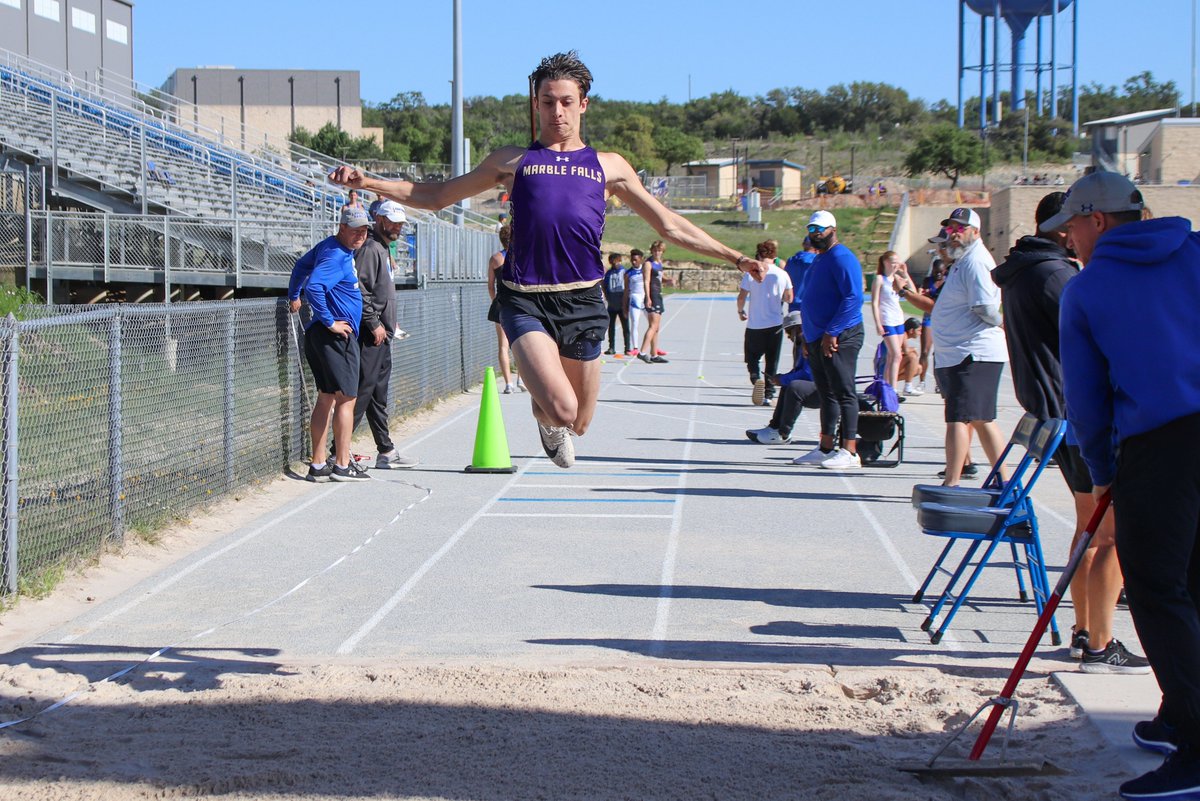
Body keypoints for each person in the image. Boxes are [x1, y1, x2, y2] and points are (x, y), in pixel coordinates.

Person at [329, 51, 768, 469]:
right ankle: (548, 414)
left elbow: (669, 225)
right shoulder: (513, 162)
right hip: (525, 299)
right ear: (535, 103)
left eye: (566, 102)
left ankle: (550, 421)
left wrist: (735, 257)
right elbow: (436, 195)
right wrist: (369, 181)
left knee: (579, 421)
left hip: (582, 300)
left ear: (584, 105)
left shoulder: (609, 166)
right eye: (547, 102)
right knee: (561, 407)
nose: (557, 111)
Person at [1048, 171, 1200, 800]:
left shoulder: (1088, 290)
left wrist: (1105, 475)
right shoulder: (1194, 250)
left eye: (1071, 229)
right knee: (1194, 581)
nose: (1067, 242)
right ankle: (1177, 712)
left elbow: (1085, 400)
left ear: (1097, 221)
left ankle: (1195, 748)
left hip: (1160, 446)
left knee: (1159, 590)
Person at [994, 189, 1146, 675]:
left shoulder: (1026, 269)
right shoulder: (1057, 275)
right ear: (1069, 229)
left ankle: (1086, 631)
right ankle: (1099, 641)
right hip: (1080, 416)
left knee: (1090, 532)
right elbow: (1102, 339)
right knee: (1108, 537)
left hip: (1062, 414)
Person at [913, 208, 1007, 486]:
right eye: (951, 229)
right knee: (978, 418)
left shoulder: (976, 262)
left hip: (973, 353)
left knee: (961, 417)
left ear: (975, 232)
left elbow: (986, 308)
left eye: (959, 229)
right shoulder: (964, 261)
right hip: (962, 353)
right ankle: (1003, 480)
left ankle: (951, 483)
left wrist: (1006, 326)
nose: (953, 234)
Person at [287, 206, 371, 482]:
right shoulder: (336, 255)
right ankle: (342, 464)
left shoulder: (330, 247)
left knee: (326, 397)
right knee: (347, 399)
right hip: (335, 336)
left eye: (365, 229)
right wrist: (330, 321)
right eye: (356, 229)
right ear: (342, 227)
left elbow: (301, 266)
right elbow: (316, 287)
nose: (361, 234)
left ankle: (318, 463)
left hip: (321, 336)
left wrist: (293, 293)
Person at [348, 200, 418, 470]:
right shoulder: (370, 249)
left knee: (377, 394)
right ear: (379, 220)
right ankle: (336, 451)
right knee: (363, 392)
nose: (398, 227)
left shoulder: (383, 248)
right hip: (370, 335)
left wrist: (389, 324)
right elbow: (361, 290)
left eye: (400, 222)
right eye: (393, 221)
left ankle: (386, 451)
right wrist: (374, 323)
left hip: (382, 335)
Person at [793, 210, 865, 470]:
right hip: (817, 336)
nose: (815, 235)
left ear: (833, 230)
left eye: (820, 230)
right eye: (811, 230)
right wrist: (806, 337)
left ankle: (850, 450)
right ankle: (825, 447)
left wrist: (832, 331)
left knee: (844, 392)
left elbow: (853, 298)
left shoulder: (842, 258)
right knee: (826, 393)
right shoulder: (820, 259)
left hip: (840, 335)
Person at [745, 311, 820, 445]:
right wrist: (783, 378)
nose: (788, 337)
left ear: (799, 328)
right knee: (789, 385)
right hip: (818, 388)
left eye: (789, 332)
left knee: (794, 387)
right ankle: (774, 428)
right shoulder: (802, 345)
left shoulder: (810, 345)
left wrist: (783, 379)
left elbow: (808, 374)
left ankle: (782, 433)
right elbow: (800, 371)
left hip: (822, 392)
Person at [737, 240, 793, 406]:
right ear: (774, 255)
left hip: (755, 323)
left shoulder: (751, 273)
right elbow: (789, 297)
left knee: (751, 357)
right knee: (772, 360)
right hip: (775, 323)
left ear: (760, 255)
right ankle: (769, 393)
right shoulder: (783, 274)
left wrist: (741, 311)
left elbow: (741, 297)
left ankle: (755, 378)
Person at [488, 224, 522, 393]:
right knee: (522, 343)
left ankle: (509, 383)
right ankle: (522, 378)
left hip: (502, 302)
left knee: (503, 345)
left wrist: (496, 301)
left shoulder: (495, 258)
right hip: (520, 302)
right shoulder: (522, 255)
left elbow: (490, 286)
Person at [871, 251, 906, 391]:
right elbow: (874, 303)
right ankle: (893, 389)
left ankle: (886, 387)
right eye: (893, 262)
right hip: (887, 319)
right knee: (896, 355)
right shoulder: (880, 279)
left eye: (897, 262)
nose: (895, 265)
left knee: (893, 356)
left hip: (899, 320)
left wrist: (905, 274)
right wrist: (878, 323)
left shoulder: (897, 279)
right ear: (885, 262)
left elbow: (913, 292)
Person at [637, 240, 668, 363]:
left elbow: (660, 278)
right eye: (655, 250)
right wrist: (648, 297)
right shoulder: (648, 264)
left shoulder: (659, 263)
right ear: (652, 251)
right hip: (653, 296)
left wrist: (668, 280)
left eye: (659, 251)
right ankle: (642, 352)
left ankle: (654, 354)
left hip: (659, 295)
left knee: (657, 327)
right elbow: (646, 281)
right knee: (653, 325)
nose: (657, 253)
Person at [602, 252, 631, 357]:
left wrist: (626, 303)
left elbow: (628, 288)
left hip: (622, 303)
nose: (614, 265)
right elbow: (604, 286)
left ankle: (627, 347)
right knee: (611, 327)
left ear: (620, 261)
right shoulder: (609, 273)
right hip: (612, 304)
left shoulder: (624, 272)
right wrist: (607, 296)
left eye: (616, 262)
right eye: (612, 263)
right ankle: (611, 347)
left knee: (625, 327)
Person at [624, 248, 646, 358]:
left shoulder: (646, 270)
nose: (634, 262)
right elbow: (626, 290)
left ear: (641, 259)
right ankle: (635, 348)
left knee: (653, 324)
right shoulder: (628, 273)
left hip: (645, 298)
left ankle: (653, 347)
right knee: (635, 323)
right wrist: (624, 307)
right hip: (634, 299)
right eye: (632, 260)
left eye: (636, 260)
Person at [898, 317, 922, 395]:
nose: (920, 333)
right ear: (911, 330)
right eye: (918, 330)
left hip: (888, 364)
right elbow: (905, 351)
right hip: (884, 365)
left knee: (918, 369)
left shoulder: (903, 335)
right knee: (912, 356)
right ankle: (908, 388)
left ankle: (888, 382)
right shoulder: (903, 335)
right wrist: (913, 349)